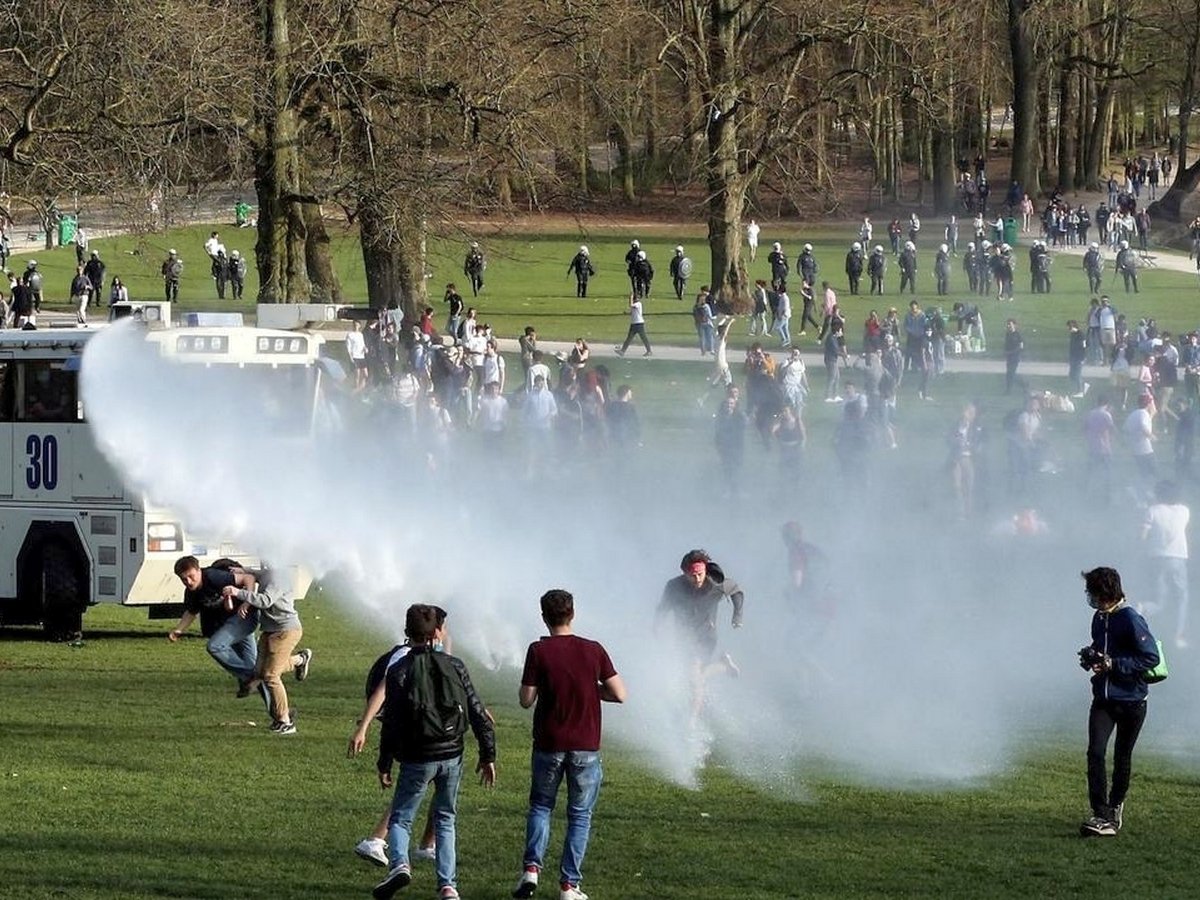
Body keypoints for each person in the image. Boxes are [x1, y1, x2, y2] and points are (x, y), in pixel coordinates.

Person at [373, 604, 496, 900]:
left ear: (407, 633)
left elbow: (392, 722)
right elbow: (477, 711)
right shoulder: (455, 665)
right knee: (445, 818)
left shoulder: (400, 670)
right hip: (452, 754)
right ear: (437, 633)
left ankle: (400, 865)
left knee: (402, 817)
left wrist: (385, 762)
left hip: (417, 756)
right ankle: (448, 886)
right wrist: (487, 755)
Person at [512, 589, 627, 900]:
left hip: (549, 742)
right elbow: (619, 693)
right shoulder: (593, 650)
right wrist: (591, 690)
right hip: (586, 745)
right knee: (579, 815)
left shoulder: (539, 650)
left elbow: (526, 700)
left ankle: (532, 869)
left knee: (541, 806)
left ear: (543, 617)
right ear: (572, 614)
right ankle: (568, 885)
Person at [348, 607, 451, 868]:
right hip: (411, 728)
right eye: (444, 629)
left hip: (426, 727)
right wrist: (364, 726)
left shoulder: (431, 654)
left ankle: (427, 844)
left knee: (434, 781)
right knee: (419, 782)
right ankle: (375, 840)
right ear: (435, 632)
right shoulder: (406, 657)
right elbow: (382, 691)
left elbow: (447, 680)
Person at [1078, 566, 1160, 837]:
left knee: (1122, 757)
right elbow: (1101, 649)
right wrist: (1092, 658)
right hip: (1102, 698)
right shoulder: (1098, 618)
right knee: (1096, 753)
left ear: (1106, 592)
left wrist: (1114, 664)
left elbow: (1150, 658)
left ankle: (1114, 807)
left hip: (1132, 701)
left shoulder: (1130, 618)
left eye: (1092, 591)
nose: (1089, 596)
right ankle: (1101, 814)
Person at [169, 556, 270, 709]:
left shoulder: (213, 576)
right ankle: (282, 715)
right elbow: (191, 612)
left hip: (243, 619)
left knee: (215, 646)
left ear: (199, 570)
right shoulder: (191, 592)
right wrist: (178, 630)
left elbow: (248, 578)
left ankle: (249, 677)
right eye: (184, 579)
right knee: (254, 671)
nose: (189, 582)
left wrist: (247, 601)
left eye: (191, 576)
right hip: (229, 627)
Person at [656, 549, 744, 722]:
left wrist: (737, 616)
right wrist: (657, 625)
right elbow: (663, 607)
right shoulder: (673, 586)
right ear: (685, 573)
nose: (697, 579)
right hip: (682, 637)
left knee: (693, 678)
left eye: (700, 574)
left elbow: (736, 592)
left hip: (706, 636)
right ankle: (722, 666)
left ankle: (692, 723)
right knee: (690, 677)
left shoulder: (716, 583)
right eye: (693, 575)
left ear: (705, 571)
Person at [223, 570, 312, 735]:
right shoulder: (269, 572)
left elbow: (265, 600)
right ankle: (301, 659)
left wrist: (238, 593)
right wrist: (244, 571)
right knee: (260, 671)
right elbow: (258, 574)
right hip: (269, 630)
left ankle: (285, 721)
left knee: (271, 676)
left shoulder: (280, 577)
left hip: (285, 630)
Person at [1142, 480, 1190, 648]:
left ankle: (1143, 608)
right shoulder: (1184, 511)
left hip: (1156, 557)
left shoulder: (1152, 511)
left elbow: (1143, 534)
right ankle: (1178, 636)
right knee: (1180, 597)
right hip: (1177, 557)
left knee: (1159, 599)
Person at [614, 292, 652, 357]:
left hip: (639, 324)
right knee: (629, 338)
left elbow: (631, 305)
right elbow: (632, 311)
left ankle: (649, 351)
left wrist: (630, 298)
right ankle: (622, 351)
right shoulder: (635, 305)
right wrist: (627, 313)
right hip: (634, 324)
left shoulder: (638, 304)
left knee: (643, 338)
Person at [1004, 318, 1024, 395]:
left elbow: (1021, 346)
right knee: (1009, 374)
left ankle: (1023, 384)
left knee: (1011, 374)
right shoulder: (1007, 334)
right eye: (1008, 324)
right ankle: (1008, 390)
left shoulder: (1017, 334)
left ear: (1014, 325)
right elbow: (1006, 345)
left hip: (1015, 357)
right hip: (1009, 357)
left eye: (1010, 324)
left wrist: (1013, 352)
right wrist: (1005, 352)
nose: (1008, 325)